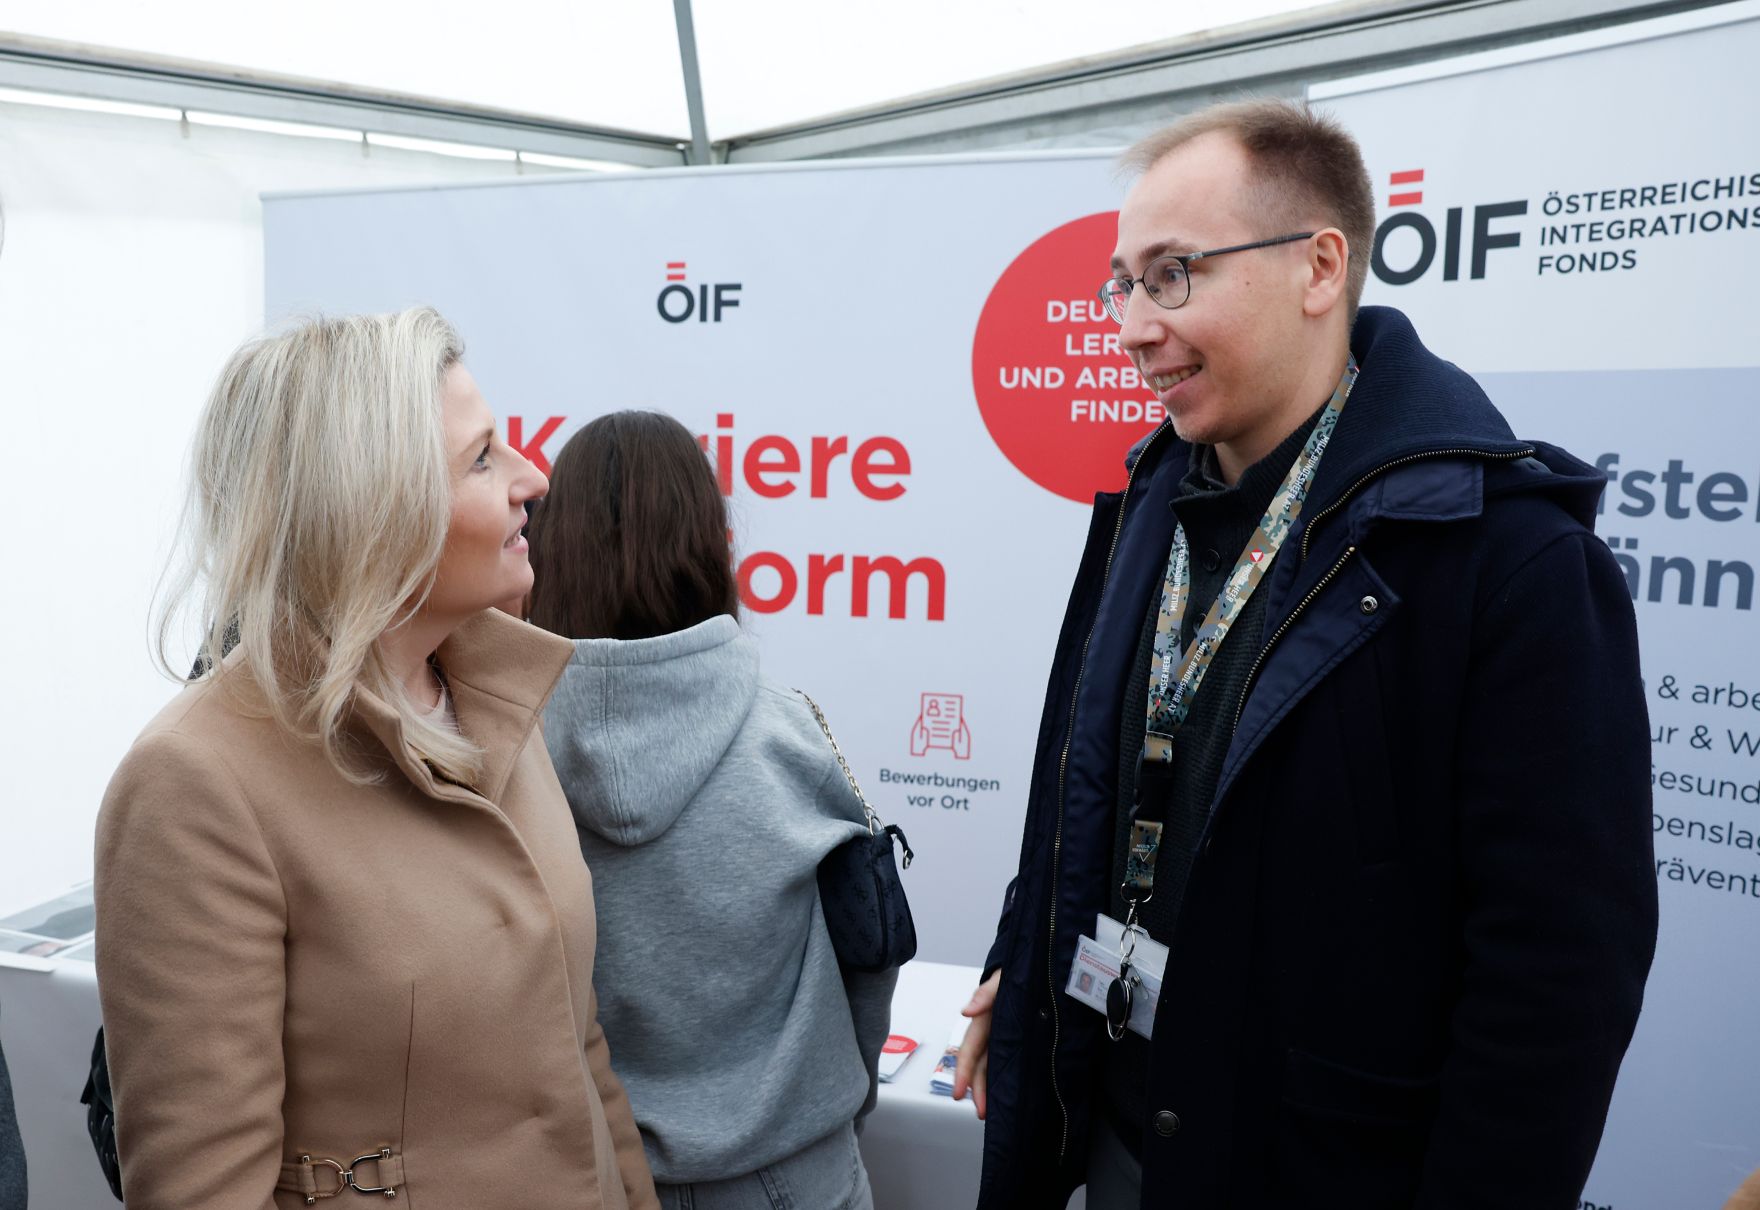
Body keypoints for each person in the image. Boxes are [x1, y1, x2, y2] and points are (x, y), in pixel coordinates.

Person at [952, 100, 1656, 1208]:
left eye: (1173, 273)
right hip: (1115, 1137)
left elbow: (1554, 989)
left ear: (1318, 266)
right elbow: (1077, 786)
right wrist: (1023, 964)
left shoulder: (1508, 561)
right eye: (1123, 284)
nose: (1132, 325)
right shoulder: (1149, 505)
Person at [94, 308, 659, 1210]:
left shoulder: (498, 696)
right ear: (371, 507)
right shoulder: (195, 780)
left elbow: (580, 1050)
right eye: (482, 459)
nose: (534, 477)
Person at [525, 409, 895, 1210]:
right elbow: (871, 955)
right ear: (709, 542)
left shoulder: (507, 753)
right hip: (794, 1175)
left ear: (549, 547)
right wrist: (846, 1101)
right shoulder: (788, 733)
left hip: (590, 1176)